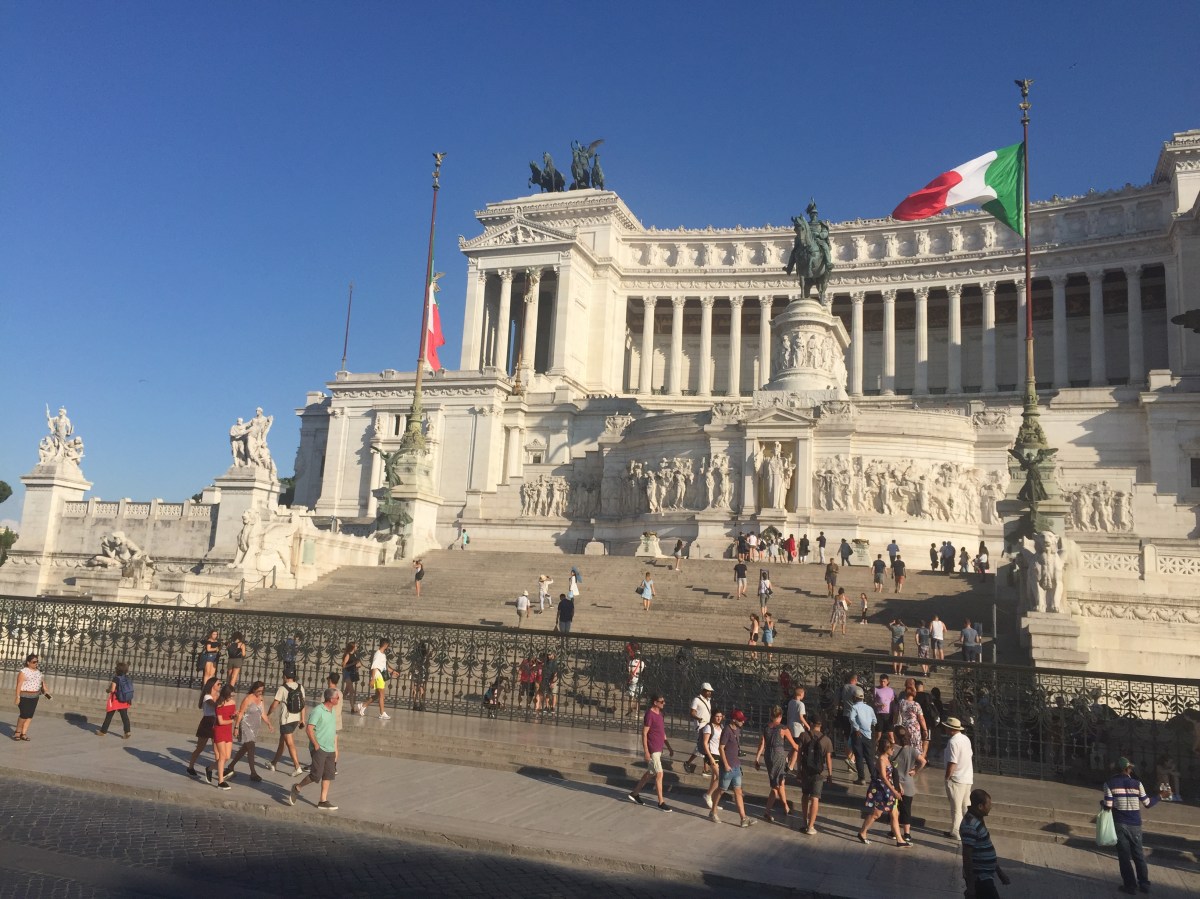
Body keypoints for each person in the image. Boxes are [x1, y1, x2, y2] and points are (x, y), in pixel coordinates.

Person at [1102, 757, 1158, 894]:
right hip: (1135, 824)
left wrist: (1102, 804)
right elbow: (1147, 803)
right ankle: (1144, 884)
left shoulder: (1109, 784)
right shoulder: (1137, 784)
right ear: (1128, 769)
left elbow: (1108, 806)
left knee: (1124, 857)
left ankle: (1130, 886)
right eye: (1130, 768)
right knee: (1139, 855)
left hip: (1120, 823)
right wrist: (1160, 796)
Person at [289, 687, 341, 811]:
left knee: (328, 774)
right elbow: (309, 729)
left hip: (330, 749)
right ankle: (297, 787)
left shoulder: (332, 711)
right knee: (316, 775)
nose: (339, 699)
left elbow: (331, 729)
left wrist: (334, 746)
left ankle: (323, 800)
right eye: (337, 698)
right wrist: (316, 745)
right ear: (331, 699)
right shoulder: (318, 711)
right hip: (319, 748)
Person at [857, 731, 907, 847]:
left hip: (888, 789)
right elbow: (884, 777)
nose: (893, 750)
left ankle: (900, 840)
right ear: (886, 748)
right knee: (877, 813)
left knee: (894, 813)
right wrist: (894, 791)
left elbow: (891, 775)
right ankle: (862, 832)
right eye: (891, 748)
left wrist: (898, 785)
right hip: (881, 790)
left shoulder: (887, 758)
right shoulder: (881, 760)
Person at [626, 693, 674, 811]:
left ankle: (635, 793)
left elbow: (662, 732)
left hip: (659, 748)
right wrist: (646, 751)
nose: (664, 703)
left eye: (664, 701)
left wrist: (669, 746)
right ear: (655, 702)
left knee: (651, 773)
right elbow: (644, 733)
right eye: (661, 701)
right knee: (659, 774)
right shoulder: (649, 714)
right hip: (653, 749)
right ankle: (661, 802)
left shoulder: (660, 714)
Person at [960, 789, 1011, 898]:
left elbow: (985, 848)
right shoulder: (970, 825)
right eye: (989, 804)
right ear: (980, 806)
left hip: (985, 876)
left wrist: (999, 872)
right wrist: (971, 885)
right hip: (980, 878)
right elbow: (967, 856)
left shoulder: (978, 820)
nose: (991, 807)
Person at [710, 709, 754, 827]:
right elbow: (721, 748)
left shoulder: (737, 729)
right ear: (734, 720)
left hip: (736, 765)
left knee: (738, 791)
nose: (743, 722)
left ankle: (743, 818)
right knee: (721, 790)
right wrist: (725, 764)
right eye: (740, 720)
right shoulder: (727, 731)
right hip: (728, 766)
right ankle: (713, 811)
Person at [755, 705, 799, 823]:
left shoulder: (766, 727)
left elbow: (762, 744)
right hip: (778, 756)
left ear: (771, 715)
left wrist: (757, 758)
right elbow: (794, 745)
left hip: (768, 756)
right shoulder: (783, 729)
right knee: (776, 785)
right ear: (780, 716)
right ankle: (768, 811)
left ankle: (785, 807)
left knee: (780, 783)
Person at [228, 680, 272, 781]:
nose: (260, 693)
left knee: (245, 748)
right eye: (258, 691)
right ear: (254, 689)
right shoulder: (248, 699)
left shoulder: (261, 698)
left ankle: (231, 766)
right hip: (245, 725)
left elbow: (263, 713)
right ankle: (253, 773)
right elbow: (240, 713)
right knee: (251, 747)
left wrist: (269, 723)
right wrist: (236, 727)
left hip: (254, 728)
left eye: (262, 691)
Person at [267, 668, 308, 775]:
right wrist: (302, 719)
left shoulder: (283, 688)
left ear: (285, 677)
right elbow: (303, 705)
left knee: (290, 743)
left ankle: (297, 767)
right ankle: (273, 763)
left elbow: (274, 704)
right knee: (282, 742)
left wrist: (267, 714)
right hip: (296, 719)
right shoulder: (300, 687)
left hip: (286, 719)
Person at [797, 716, 834, 835]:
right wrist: (830, 774)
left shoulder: (804, 735)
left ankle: (804, 821)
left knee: (805, 795)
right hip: (819, 773)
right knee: (815, 798)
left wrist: (798, 769)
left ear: (811, 723)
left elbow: (799, 754)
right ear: (821, 725)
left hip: (805, 770)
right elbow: (828, 759)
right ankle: (811, 826)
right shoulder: (826, 740)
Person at [943, 716, 974, 841]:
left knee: (956, 807)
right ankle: (968, 830)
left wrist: (947, 777)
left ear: (951, 729)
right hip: (967, 776)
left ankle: (956, 831)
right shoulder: (965, 739)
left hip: (956, 778)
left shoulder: (953, 742)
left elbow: (953, 762)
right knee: (965, 806)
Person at [893, 727, 926, 844]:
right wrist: (915, 770)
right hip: (908, 783)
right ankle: (907, 833)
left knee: (895, 809)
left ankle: (894, 831)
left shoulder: (892, 749)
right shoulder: (912, 750)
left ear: (895, 736)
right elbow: (923, 761)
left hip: (895, 783)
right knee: (906, 809)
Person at [13, 653, 51, 742]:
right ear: (28, 662)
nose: (36, 663)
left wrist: (46, 690)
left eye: (37, 661)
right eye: (34, 662)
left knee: (30, 715)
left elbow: (42, 682)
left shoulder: (38, 672)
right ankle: (17, 732)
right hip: (24, 696)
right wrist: (17, 697)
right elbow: (19, 685)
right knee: (24, 715)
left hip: (35, 696)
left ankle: (23, 734)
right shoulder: (23, 672)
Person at [186, 676, 220, 777]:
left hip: (216, 722)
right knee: (200, 747)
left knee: (217, 749)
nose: (220, 686)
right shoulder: (207, 696)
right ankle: (190, 767)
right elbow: (214, 705)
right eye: (218, 684)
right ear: (212, 685)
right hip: (207, 722)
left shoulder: (218, 695)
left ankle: (219, 770)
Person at [208, 684, 237, 790]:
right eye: (231, 695)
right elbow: (220, 721)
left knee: (227, 756)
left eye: (233, 695)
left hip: (228, 730)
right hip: (219, 730)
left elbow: (231, 714)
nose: (232, 697)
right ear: (226, 694)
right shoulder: (219, 704)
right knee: (222, 756)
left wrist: (235, 715)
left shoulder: (233, 703)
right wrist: (232, 720)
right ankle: (220, 782)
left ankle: (210, 768)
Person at [360, 638, 397, 719]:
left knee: (377, 695)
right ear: (385, 645)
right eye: (388, 645)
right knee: (381, 695)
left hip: (381, 676)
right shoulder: (378, 654)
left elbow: (384, 667)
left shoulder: (383, 654)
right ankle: (382, 713)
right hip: (378, 676)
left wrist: (392, 671)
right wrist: (373, 679)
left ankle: (363, 705)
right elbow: (374, 666)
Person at [683, 682, 715, 774]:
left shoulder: (708, 700)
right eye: (708, 691)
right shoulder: (696, 700)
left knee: (705, 746)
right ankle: (690, 763)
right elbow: (692, 712)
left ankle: (705, 768)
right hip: (700, 726)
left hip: (707, 726)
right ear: (703, 691)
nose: (709, 693)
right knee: (702, 746)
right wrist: (698, 718)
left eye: (710, 691)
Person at [96, 661, 133, 738]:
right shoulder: (127, 678)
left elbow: (112, 689)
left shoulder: (116, 678)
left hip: (116, 699)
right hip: (124, 699)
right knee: (124, 716)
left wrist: (108, 690)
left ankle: (103, 731)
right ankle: (127, 732)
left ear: (117, 670)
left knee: (109, 716)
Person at [849, 685, 877, 785]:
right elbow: (874, 721)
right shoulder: (869, 708)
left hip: (858, 734)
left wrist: (857, 728)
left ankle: (861, 778)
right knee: (869, 757)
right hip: (868, 734)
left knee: (859, 756)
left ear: (854, 698)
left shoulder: (854, 707)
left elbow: (851, 718)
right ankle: (874, 778)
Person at [699, 710, 725, 809]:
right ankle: (708, 795)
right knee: (720, 777)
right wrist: (710, 757)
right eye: (717, 716)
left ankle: (713, 802)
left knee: (714, 778)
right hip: (711, 754)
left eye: (720, 716)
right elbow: (705, 743)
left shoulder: (721, 727)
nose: (719, 718)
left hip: (719, 754)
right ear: (713, 716)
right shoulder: (708, 727)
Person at [896, 683, 927, 752]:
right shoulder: (916, 705)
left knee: (905, 744)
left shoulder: (901, 703)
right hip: (914, 727)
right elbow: (921, 718)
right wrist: (925, 730)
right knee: (915, 746)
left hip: (904, 726)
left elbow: (896, 714)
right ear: (914, 693)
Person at [341, 641, 362, 714]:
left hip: (352, 674)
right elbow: (343, 666)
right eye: (355, 646)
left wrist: (357, 665)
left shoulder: (355, 654)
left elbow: (356, 663)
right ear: (352, 647)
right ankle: (353, 708)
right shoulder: (348, 655)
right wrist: (353, 664)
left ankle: (338, 703)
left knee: (346, 692)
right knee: (351, 691)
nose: (356, 647)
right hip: (347, 674)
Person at [624, 648, 645, 716]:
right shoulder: (642, 663)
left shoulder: (631, 662)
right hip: (640, 679)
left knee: (631, 696)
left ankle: (629, 709)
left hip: (633, 679)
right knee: (638, 697)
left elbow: (629, 671)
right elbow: (643, 671)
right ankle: (637, 712)